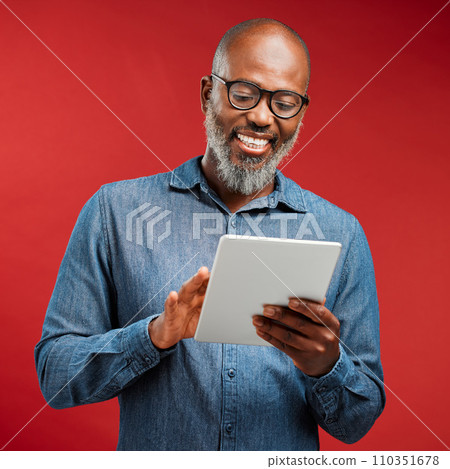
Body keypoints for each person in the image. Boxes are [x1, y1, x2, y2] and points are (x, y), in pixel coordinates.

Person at [35, 18, 385, 450]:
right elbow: (55, 376)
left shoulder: (340, 234)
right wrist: (153, 335)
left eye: (284, 102)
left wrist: (327, 366)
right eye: (243, 93)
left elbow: (358, 422)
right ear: (207, 94)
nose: (261, 117)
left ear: (301, 113)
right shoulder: (114, 213)